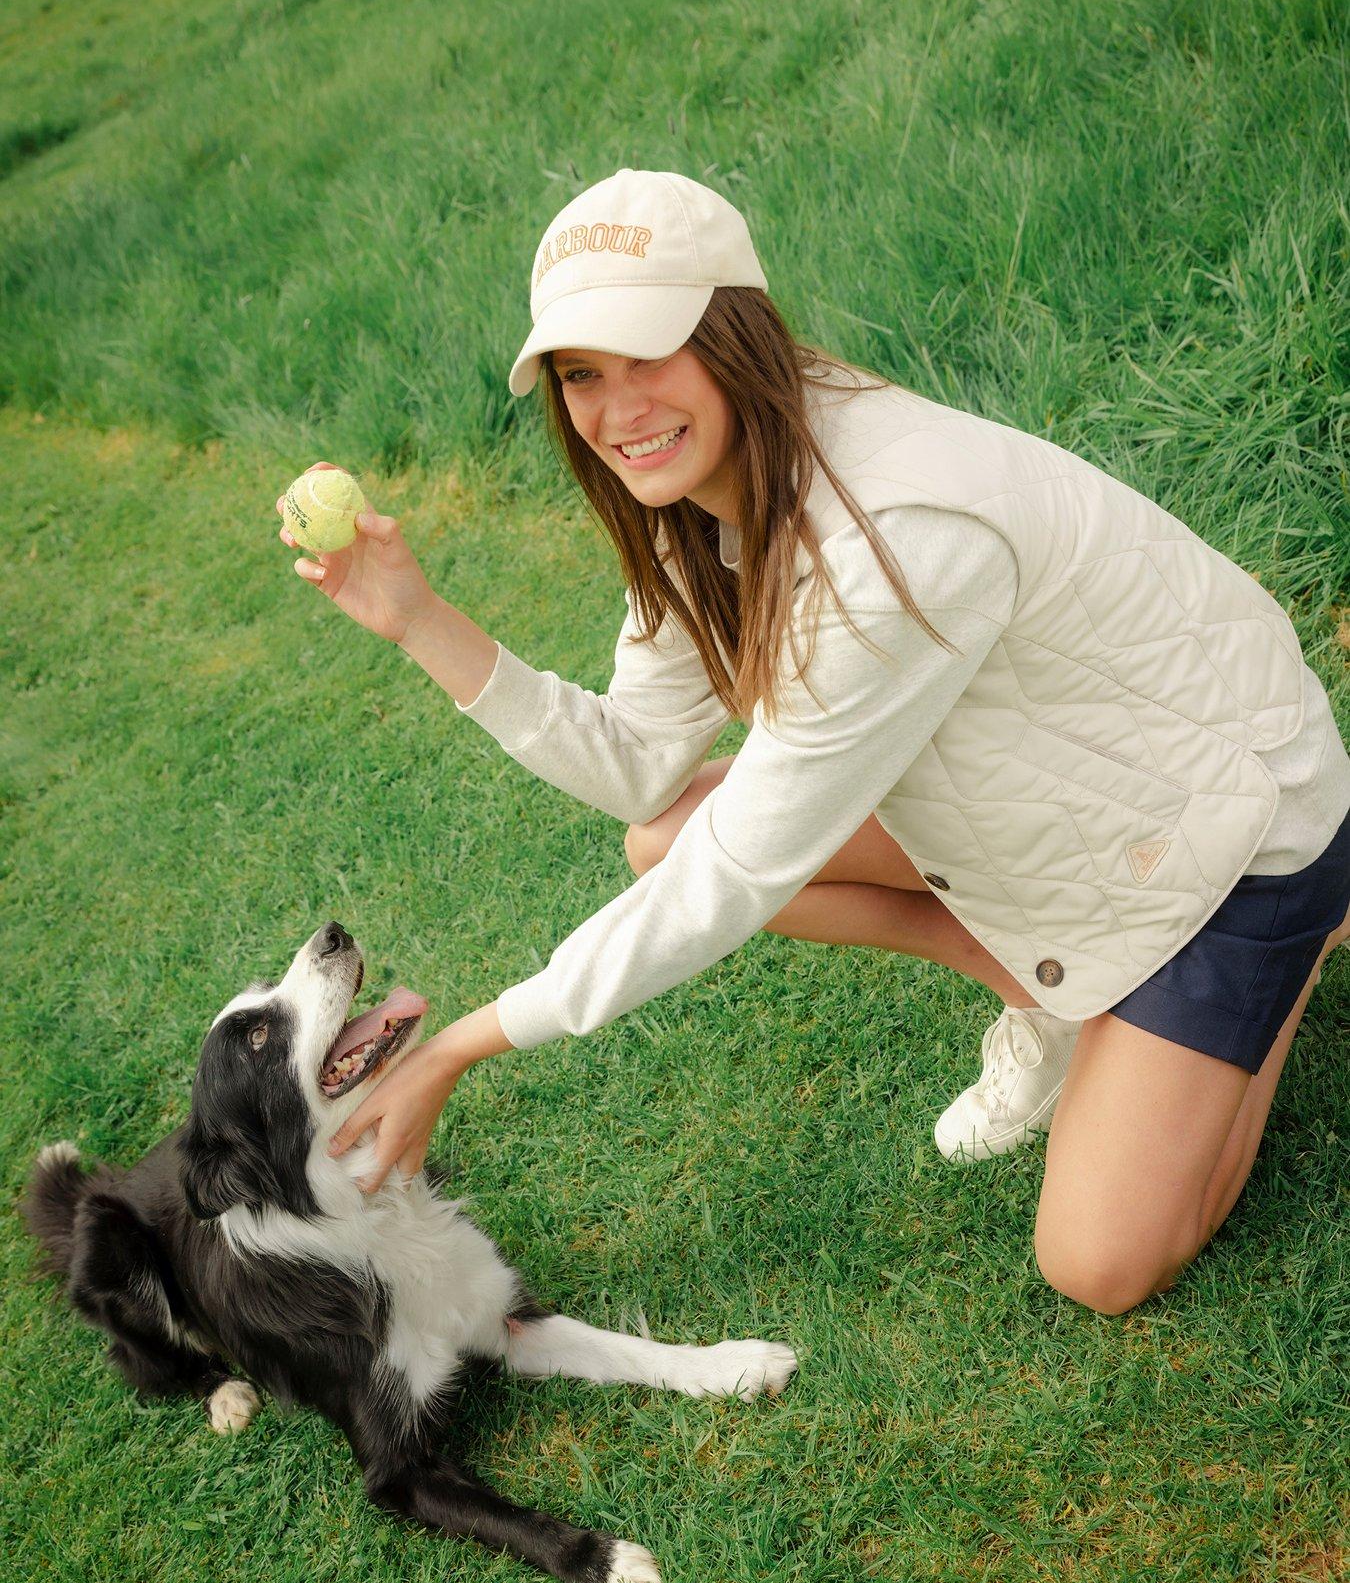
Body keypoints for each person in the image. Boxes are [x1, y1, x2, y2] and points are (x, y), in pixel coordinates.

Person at [277, 169, 1350, 1316]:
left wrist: (454, 1049)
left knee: (1098, 1263)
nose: (616, 407)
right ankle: (1063, 997)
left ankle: (1296, 946)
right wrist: (417, 620)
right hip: (1088, 795)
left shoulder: (892, 533)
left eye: (649, 354)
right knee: (664, 835)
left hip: (1230, 828)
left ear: (734, 333)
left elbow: (742, 870)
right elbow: (641, 763)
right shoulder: (714, 490)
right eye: (582, 375)